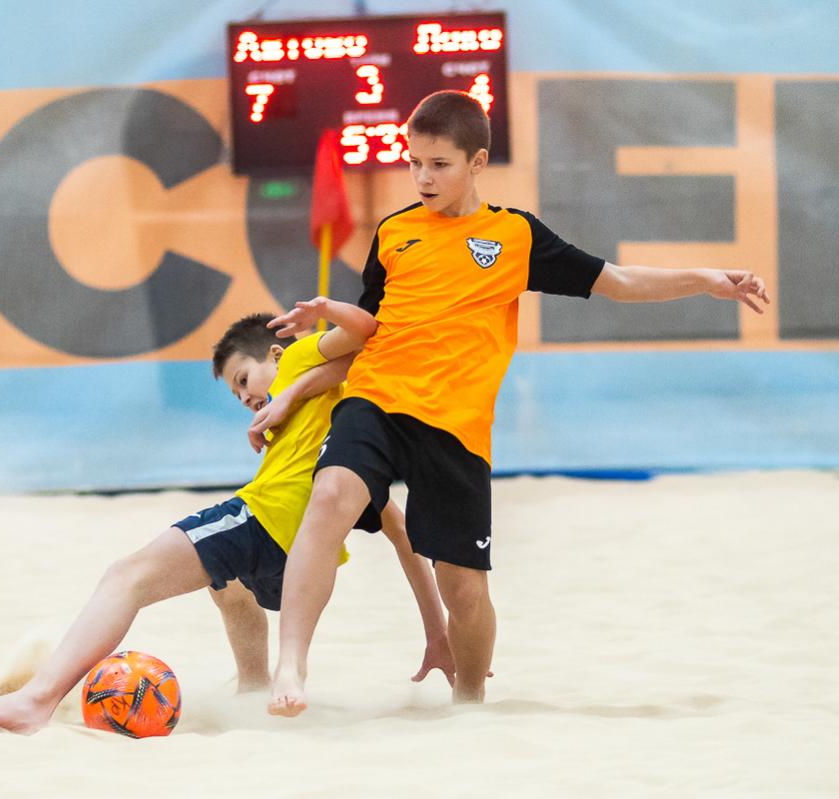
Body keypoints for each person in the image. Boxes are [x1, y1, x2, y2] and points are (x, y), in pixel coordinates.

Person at [265, 90, 771, 717]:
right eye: (414, 162)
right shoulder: (393, 232)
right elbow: (365, 332)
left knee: (464, 591)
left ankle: (470, 702)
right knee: (331, 496)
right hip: (377, 397)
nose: (423, 177)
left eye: (439, 164)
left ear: (477, 162)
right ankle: (291, 663)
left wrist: (706, 279)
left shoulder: (516, 235)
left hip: (456, 426)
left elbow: (617, 281)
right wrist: (298, 379)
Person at [0, 303, 457, 734]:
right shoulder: (343, 436)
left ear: (277, 354)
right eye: (236, 394)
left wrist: (319, 318)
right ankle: (253, 689)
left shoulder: (301, 357)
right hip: (302, 570)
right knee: (228, 587)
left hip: (262, 522)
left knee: (125, 576)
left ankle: (36, 700)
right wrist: (437, 634)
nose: (245, 397)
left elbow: (368, 334)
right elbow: (400, 531)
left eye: (244, 379)